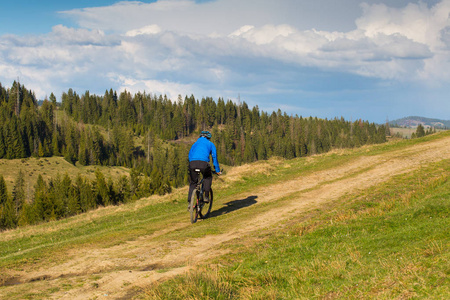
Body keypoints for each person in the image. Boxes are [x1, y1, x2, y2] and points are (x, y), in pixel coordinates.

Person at [188, 130, 221, 209]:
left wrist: (192, 164)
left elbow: (190, 156)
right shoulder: (210, 144)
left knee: (193, 183)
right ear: (208, 137)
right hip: (204, 164)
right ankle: (206, 196)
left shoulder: (194, 144)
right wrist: (217, 170)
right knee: (207, 177)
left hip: (192, 163)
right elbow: (214, 157)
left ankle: (190, 203)